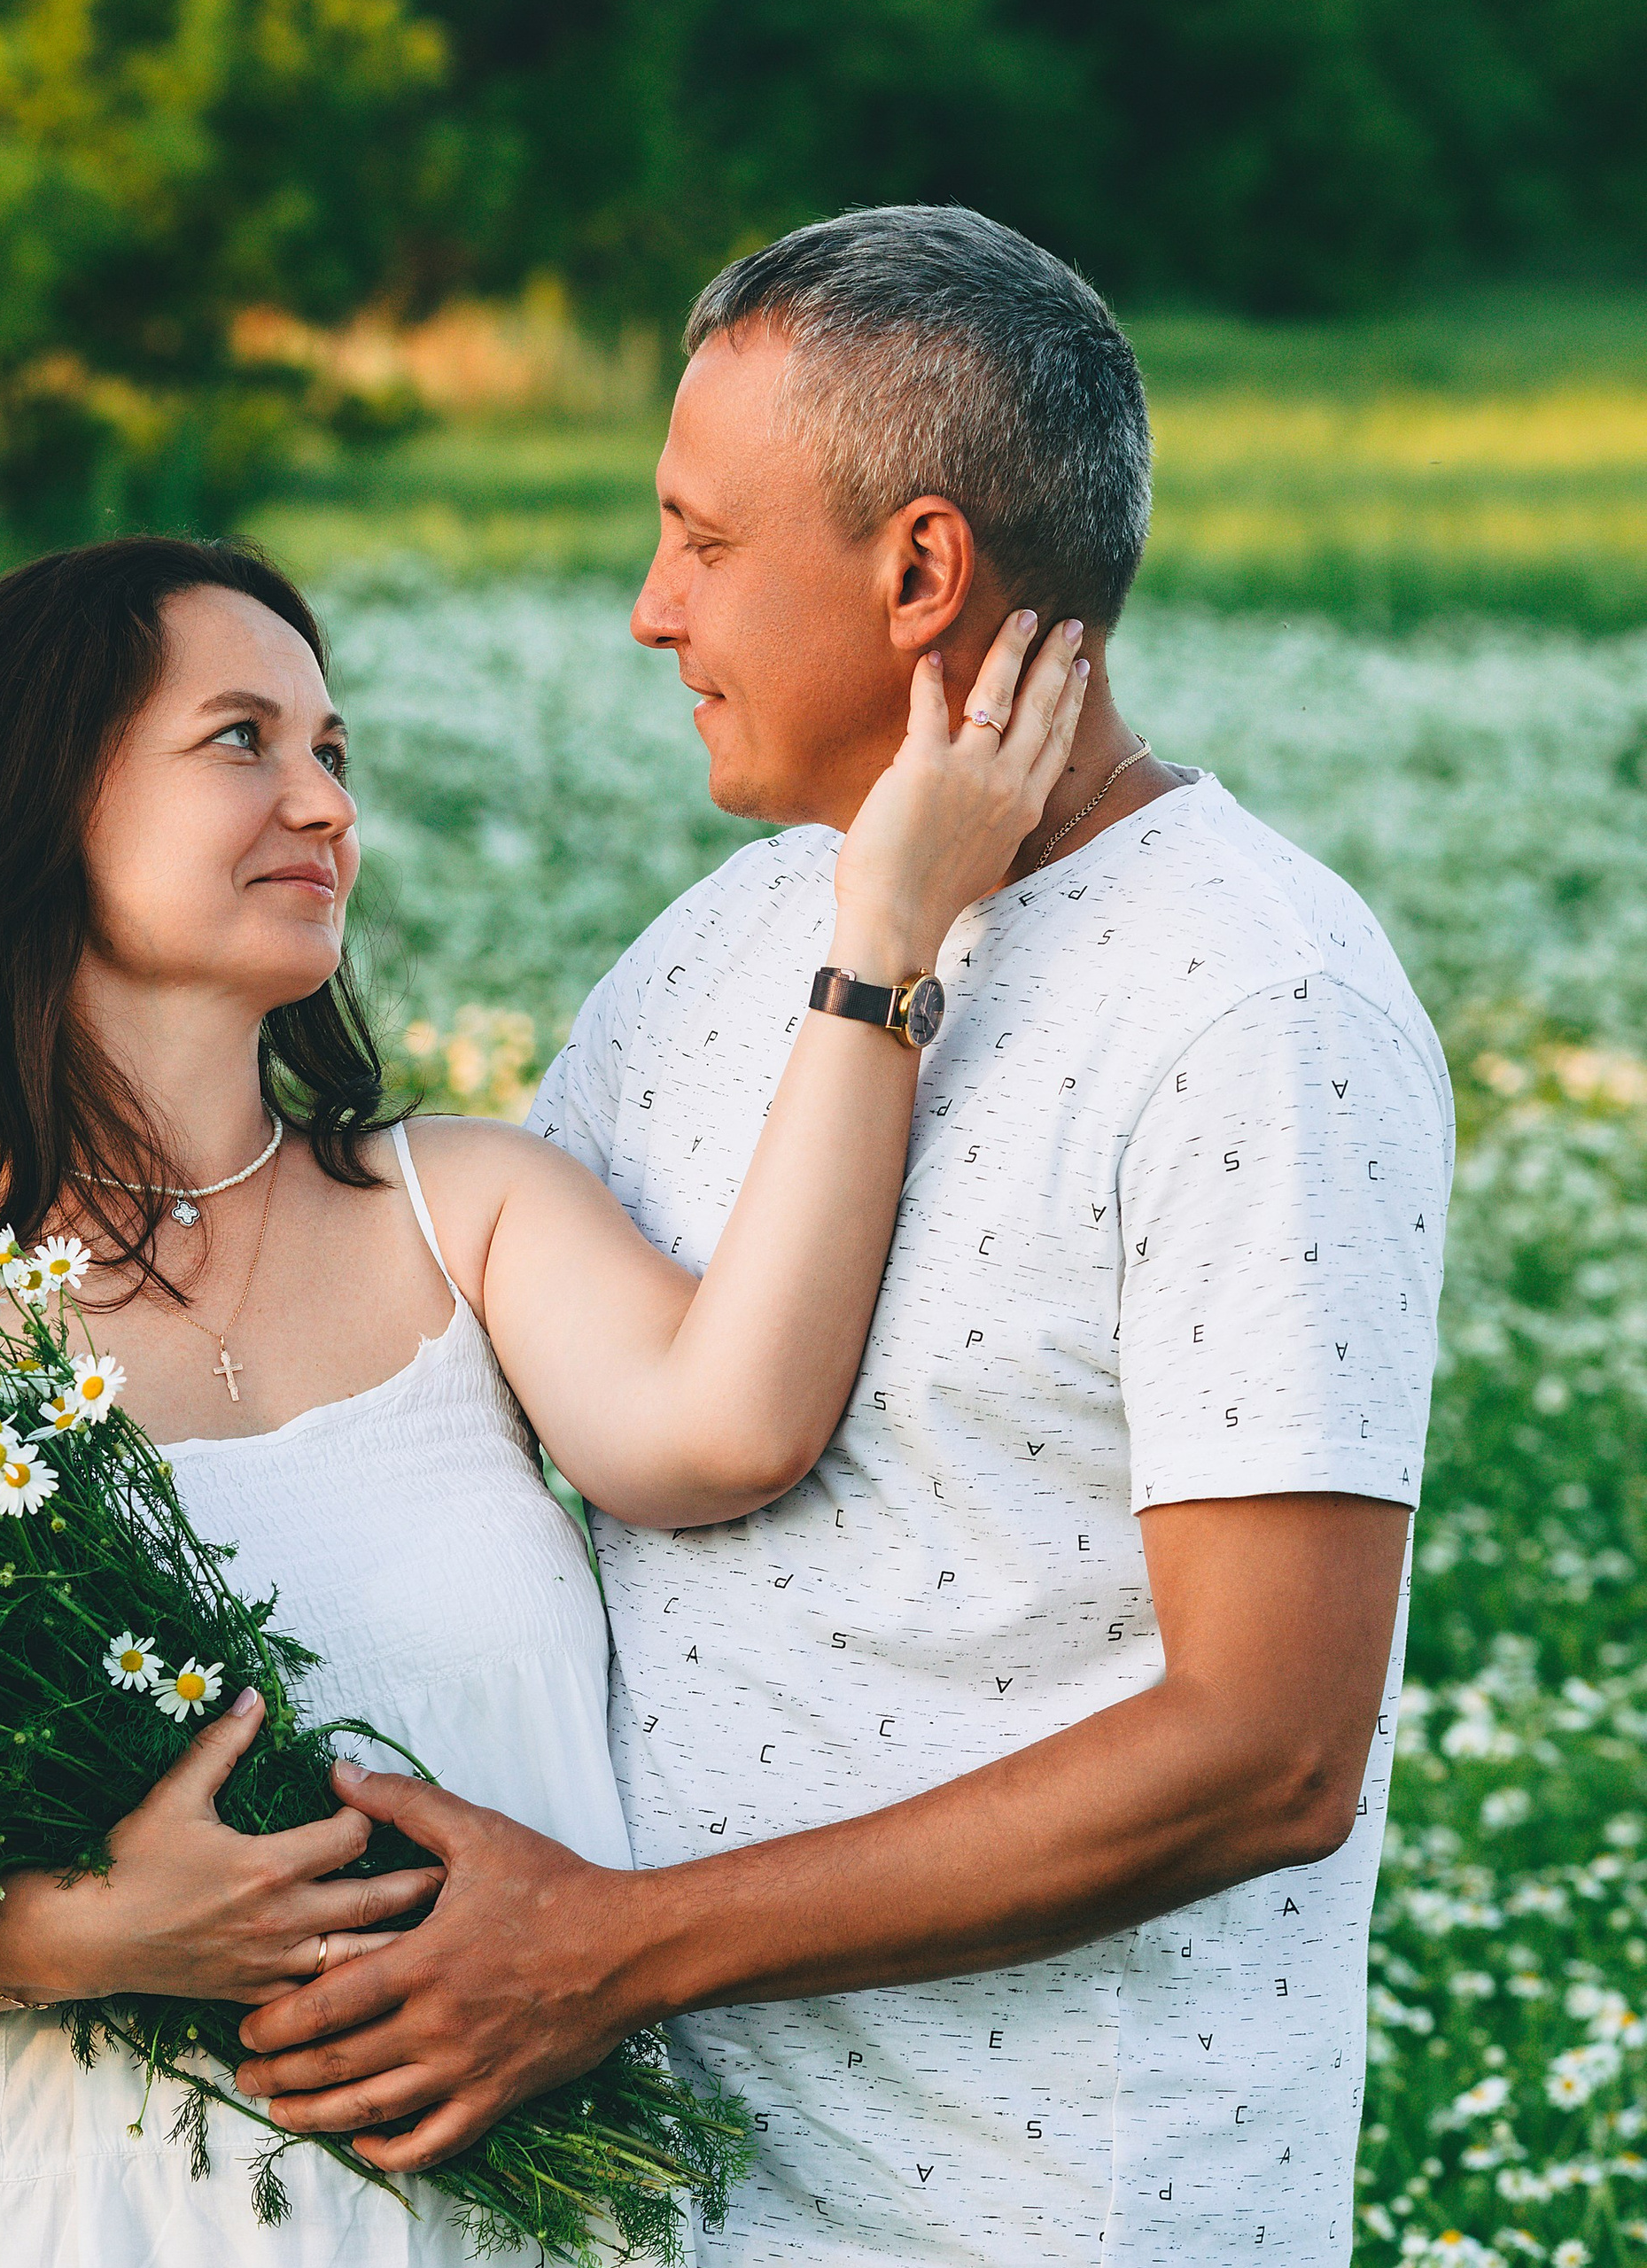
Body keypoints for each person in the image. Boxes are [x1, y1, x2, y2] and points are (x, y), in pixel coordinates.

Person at [230, 208, 1456, 2264]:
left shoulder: (1253, 1005)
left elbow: (1267, 1747)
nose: (646, 609)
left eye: (699, 540)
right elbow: (454, 1510)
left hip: (1064, 2204)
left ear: (916, 570)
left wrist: (618, 1948)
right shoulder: (702, 963)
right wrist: (17, 1888)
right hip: (652, 2200)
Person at [0, 531, 1087, 2264]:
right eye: (241, 739)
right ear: (35, 802)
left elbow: (730, 1426)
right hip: (86, 2211)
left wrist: (886, 933)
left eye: (333, 751)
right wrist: (85, 1931)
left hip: (494, 2213)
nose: (319, 802)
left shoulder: (464, 1209)